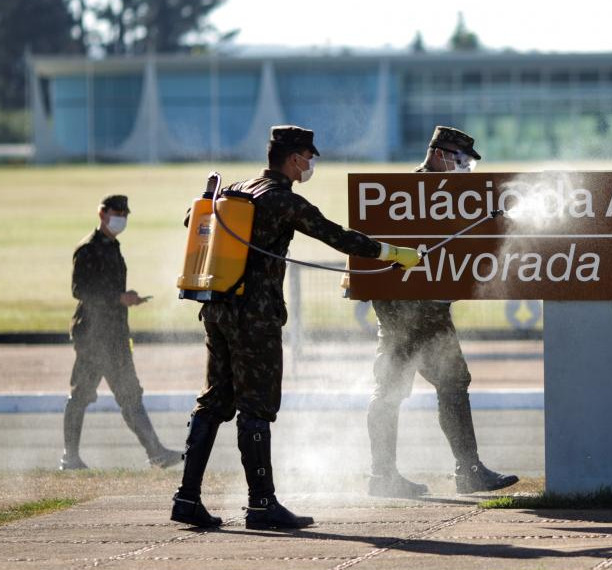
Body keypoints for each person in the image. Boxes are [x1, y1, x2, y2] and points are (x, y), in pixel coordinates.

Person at [170, 125, 421, 529]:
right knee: (256, 408)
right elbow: (338, 237)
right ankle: (261, 505)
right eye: (308, 157)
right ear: (293, 159)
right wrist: (393, 254)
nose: (310, 165)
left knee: (215, 401)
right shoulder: (283, 200)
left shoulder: (237, 189)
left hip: (216, 308)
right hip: (255, 318)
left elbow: (192, 219)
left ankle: (186, 498)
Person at [366, 126, 518, 498]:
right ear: (438, 154)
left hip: (429, 312)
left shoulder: (451, 197)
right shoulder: (406, 196)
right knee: (402, 390)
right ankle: (453, 472)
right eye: (460, 159)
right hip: (406, 314)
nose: (465, 167)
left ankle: (402, 475)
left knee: (433, 386)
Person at [62, 195, 183, 471]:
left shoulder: (112, 246)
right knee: (82, 394)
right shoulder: (88, 249)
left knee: (130, 393)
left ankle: (156, 452)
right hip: (93, 334)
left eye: (125, 213)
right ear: (102, 213)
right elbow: (79, 290)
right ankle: (70, 457)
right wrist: (118, 298)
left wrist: (128, 299)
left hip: (115, 334)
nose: (122, 218)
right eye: (117, 212)